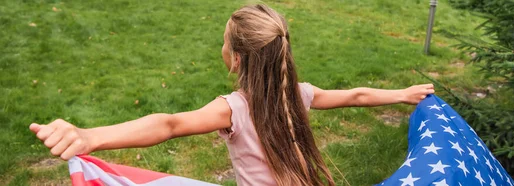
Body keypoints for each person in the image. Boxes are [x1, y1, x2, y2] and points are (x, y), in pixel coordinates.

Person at [29, 4, 434, 186]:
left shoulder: (234, 109)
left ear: (236, 59)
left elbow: (169, 124)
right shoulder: (300, 94)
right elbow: (358, 96)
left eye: (224, 41)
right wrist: (402, 93)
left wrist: (91, 136)